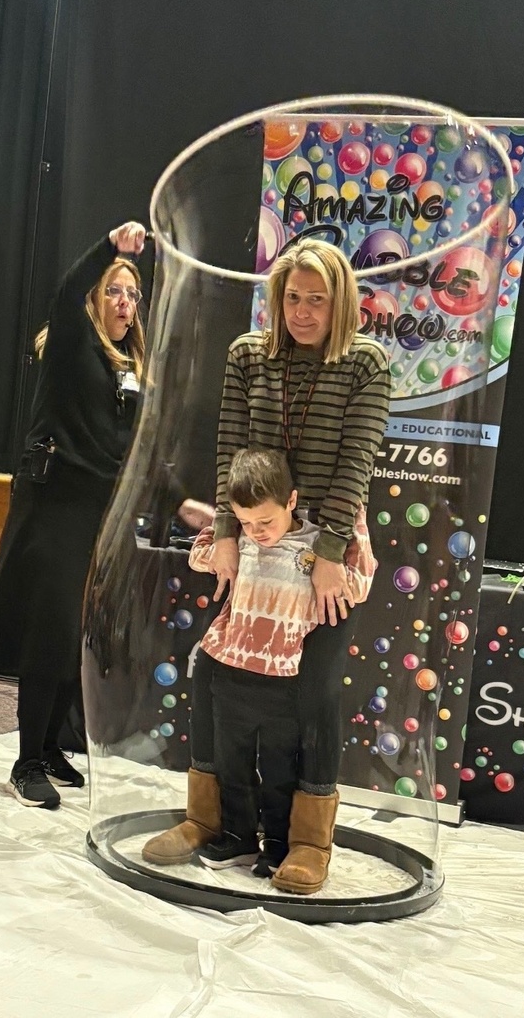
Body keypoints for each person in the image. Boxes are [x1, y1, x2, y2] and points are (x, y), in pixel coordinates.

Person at [142, 238, 391, 893]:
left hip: (326, 544)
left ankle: (306, 840)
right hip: (255, 536)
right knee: (212, 674)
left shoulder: (365, 363)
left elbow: (356, 461)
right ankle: (212, 820)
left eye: (317, 300)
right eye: (293, 298)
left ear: (340, 303)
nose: (303, 312)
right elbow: (230, 444)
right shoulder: (248, 355)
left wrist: (329, 555)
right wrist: (227, 532)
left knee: (312, 692)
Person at [0, 222, 151, 810]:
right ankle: (26, 761)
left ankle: (51, 747)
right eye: (113, 291)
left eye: (132, 294)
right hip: (55, 507)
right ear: (95, 300)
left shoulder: (130, 365)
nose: (123, 302)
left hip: (98, 513)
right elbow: (68, 290)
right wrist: (111, 248)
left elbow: (138, 449)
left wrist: (178, 501)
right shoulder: (74, 344)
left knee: (76, 635)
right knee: (49, 632)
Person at [185, 448, 374, 880]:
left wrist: (357, 521)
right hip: (230, 672)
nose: (258, 532)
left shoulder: (316, 549)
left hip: (284, 680)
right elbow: (200, 554)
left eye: (265, 521)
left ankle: (278, 844)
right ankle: (236, 836)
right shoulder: (239, 542)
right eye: (246, 522)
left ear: (292, 501)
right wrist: (222, 529)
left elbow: (359, 583)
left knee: (278, 768)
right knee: (231, 762)